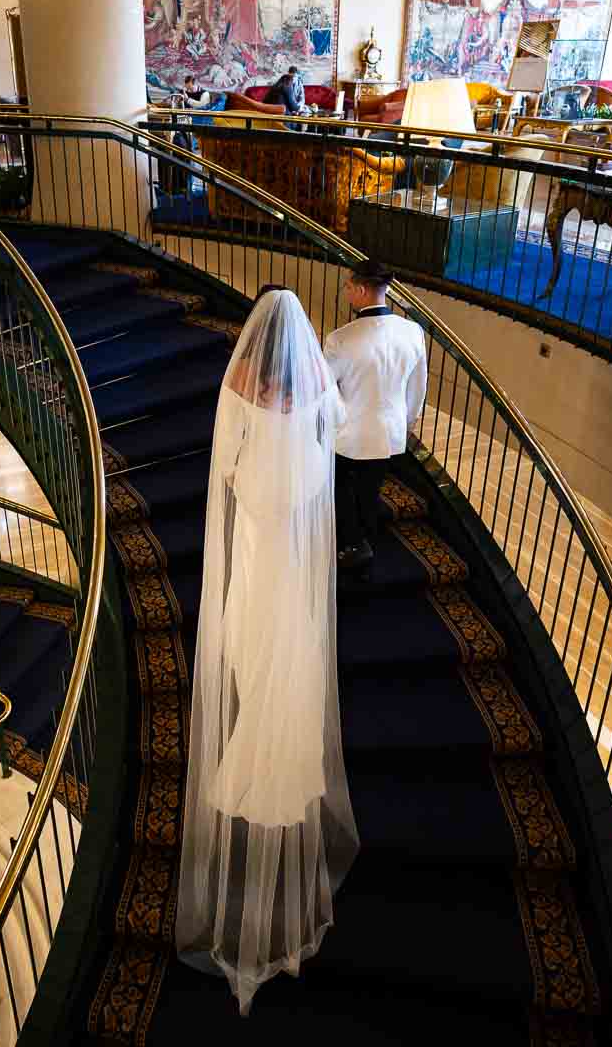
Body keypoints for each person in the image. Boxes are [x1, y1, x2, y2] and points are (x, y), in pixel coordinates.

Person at [176, 286, 359, 1015]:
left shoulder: (242, 390)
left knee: (252, 661)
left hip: (253, 565)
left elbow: (225, 469)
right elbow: (333, 440)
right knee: (295, 668)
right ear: (303, 343)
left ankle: (252, 762)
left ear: (257, 343)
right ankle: (282, 768)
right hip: (293, 569)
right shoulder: (317, 390)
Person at [324, 260, 428, 577]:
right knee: (371, 487)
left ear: (361, 289)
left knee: (341, 486)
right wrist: (406, 421)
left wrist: (335, 425)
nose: (346, 292)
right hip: (391, 431)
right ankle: (365, 540)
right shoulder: (412, 331)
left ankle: (352, 543)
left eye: (347, 287)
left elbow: (326, 392)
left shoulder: (340, 339)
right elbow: (418, 386)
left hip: (350, 433)